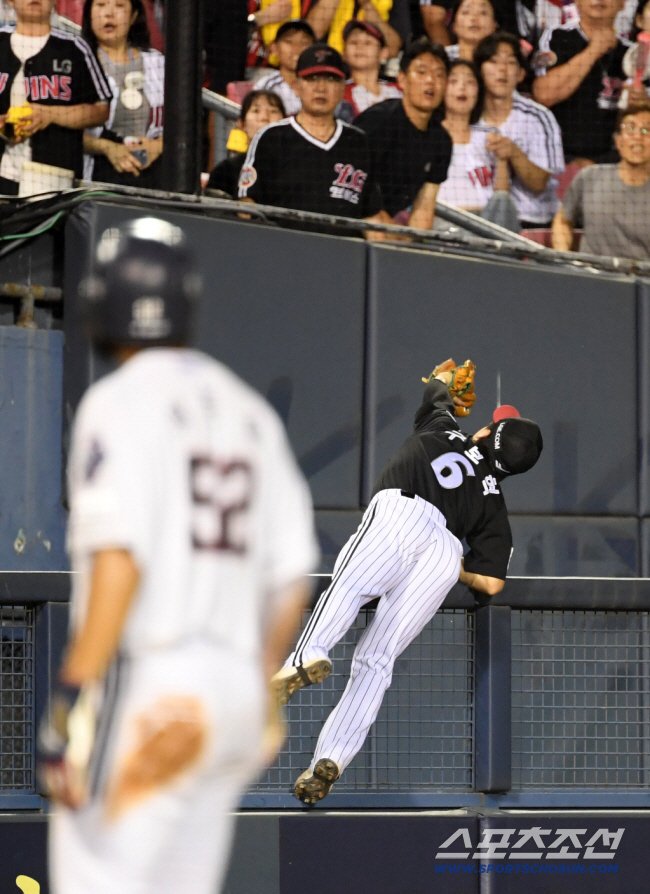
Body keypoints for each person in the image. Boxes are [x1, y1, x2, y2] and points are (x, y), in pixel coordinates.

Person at [38, 216, 319, 894]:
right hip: (232, 699)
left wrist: (73, 693)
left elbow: (120, 557)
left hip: (155, 690)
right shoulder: (247, 409)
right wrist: (250, 686)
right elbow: (291, 579)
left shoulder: (116, 401)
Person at [271, 360, 543, 804]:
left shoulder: (445, 430)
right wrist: (456, 566)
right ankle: (333, 760)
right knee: (378, 658)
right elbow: (491, 584)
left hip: (403, 513)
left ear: (481, 434)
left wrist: (443, 381)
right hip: (445, 551)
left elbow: (436, 391)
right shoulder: (493, 501)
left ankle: (307, 656)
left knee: (349, 587)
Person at [238, 45, 386, 234]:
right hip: (281, 252)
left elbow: (371, 219)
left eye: (331, 79)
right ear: (297, 86)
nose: (321, 88)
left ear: (342, 88)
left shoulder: (358, 142)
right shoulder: (272, 137)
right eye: (312, 78)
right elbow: (247, 208)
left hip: (344, 256)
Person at [0, 0, 111, 196]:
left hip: (55, 178)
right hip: (4, 176)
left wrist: (50, 115)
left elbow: (100, 111)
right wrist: (4, 128)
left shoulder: (75, 49)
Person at [354, 37, 452, 229]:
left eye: (439, 74)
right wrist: (389, 234)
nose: (431, 80)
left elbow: (424, 207)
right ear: (402, 80)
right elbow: (355, 186)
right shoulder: (378, 122)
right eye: (421, 72)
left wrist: (410, 245)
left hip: (387, 228)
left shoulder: (441, 141)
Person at [476, 31, 564, 226]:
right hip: (481, 218)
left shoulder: (538, 118)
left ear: (521, 74)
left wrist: (514, 153)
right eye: (494, 61)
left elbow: (539, 184)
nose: (502, 70)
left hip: (531, 221)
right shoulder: (468, 116)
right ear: (479, 70)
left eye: (510, 62)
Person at [532, 0, 630, 164]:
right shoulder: (557, 36)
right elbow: (543, 94)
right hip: (560, 159)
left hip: (614, 164)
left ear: (623, 3)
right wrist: (594, 50)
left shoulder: (631, 54)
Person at [81, 0, 164, 189]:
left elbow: (182, 126)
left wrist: (157, 146)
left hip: (151, 175)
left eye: (119, 6)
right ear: (89, 14)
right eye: (100, 5)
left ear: (134, 16)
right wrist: (108, 148)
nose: (109, 13)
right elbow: (65, 132)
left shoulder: (158, 64)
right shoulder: (78, 63)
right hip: (97, 178)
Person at [551, 101, 650, 258]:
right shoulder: (589, 177)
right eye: (630, 128)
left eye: (646, 130)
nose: (637, 137)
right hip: (591, 278)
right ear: (618, 141)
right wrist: (563, 258)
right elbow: (563, 220)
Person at [437, 59, 521, 231]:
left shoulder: (490, 137)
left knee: (503, 201)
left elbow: (501, 194)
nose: (462, 87)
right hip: (446, 220)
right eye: (453, 81)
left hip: (487, 221)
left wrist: (503, 160)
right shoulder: (429, 136)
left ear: (478, 92)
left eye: (470, 82)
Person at [207, 89, 286, 197]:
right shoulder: (226, 171)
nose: (265, 118)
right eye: (256, 111)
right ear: (241, 124)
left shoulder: (295, 167)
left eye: (273, 111)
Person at [305, 0, 410, 59]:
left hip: (372, 72)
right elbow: (311, 34)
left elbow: (393, 48)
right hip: (327, 64)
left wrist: (367, 5)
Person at [254, 19, 316, 116]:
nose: (296, 48)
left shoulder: (321, 85)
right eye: (289, 42)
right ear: (274, 48)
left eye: (304, 43)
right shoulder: (266, 87)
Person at [341, 20, 401, 117]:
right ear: (344, 53)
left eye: (367, 43)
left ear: (383, 53)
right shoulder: (338, 93)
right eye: (353, 42)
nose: (359, 47)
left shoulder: (399, 90)